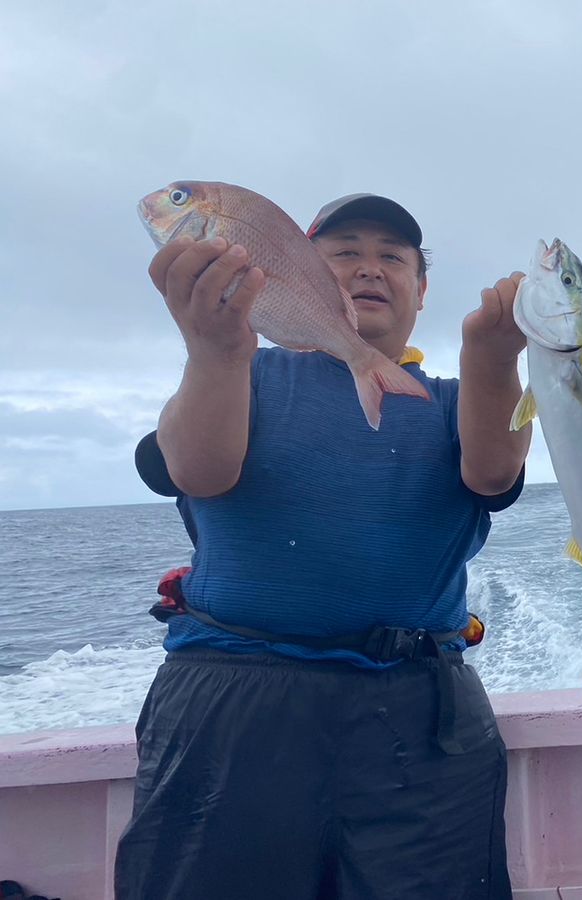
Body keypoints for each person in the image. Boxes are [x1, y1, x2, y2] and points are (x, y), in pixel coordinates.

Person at [115, 193, 530, 900]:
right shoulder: (241, 372)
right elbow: (197, 469)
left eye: (392, 257)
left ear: (422, 292)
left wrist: (492, 358)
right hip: (235, 704)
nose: (370, 268)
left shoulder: (455, 398)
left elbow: (494, 472)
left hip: (420, 712)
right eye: (344, 254)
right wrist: (215, 350)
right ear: (290, 275)